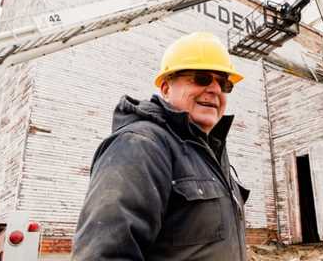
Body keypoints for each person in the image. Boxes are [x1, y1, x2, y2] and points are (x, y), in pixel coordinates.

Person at [72, 32, 250, 260]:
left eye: (224, 83)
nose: (215, 89)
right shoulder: (141, 146)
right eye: (201, 78)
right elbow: (104, 255)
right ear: (166, 89)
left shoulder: (210, 155)